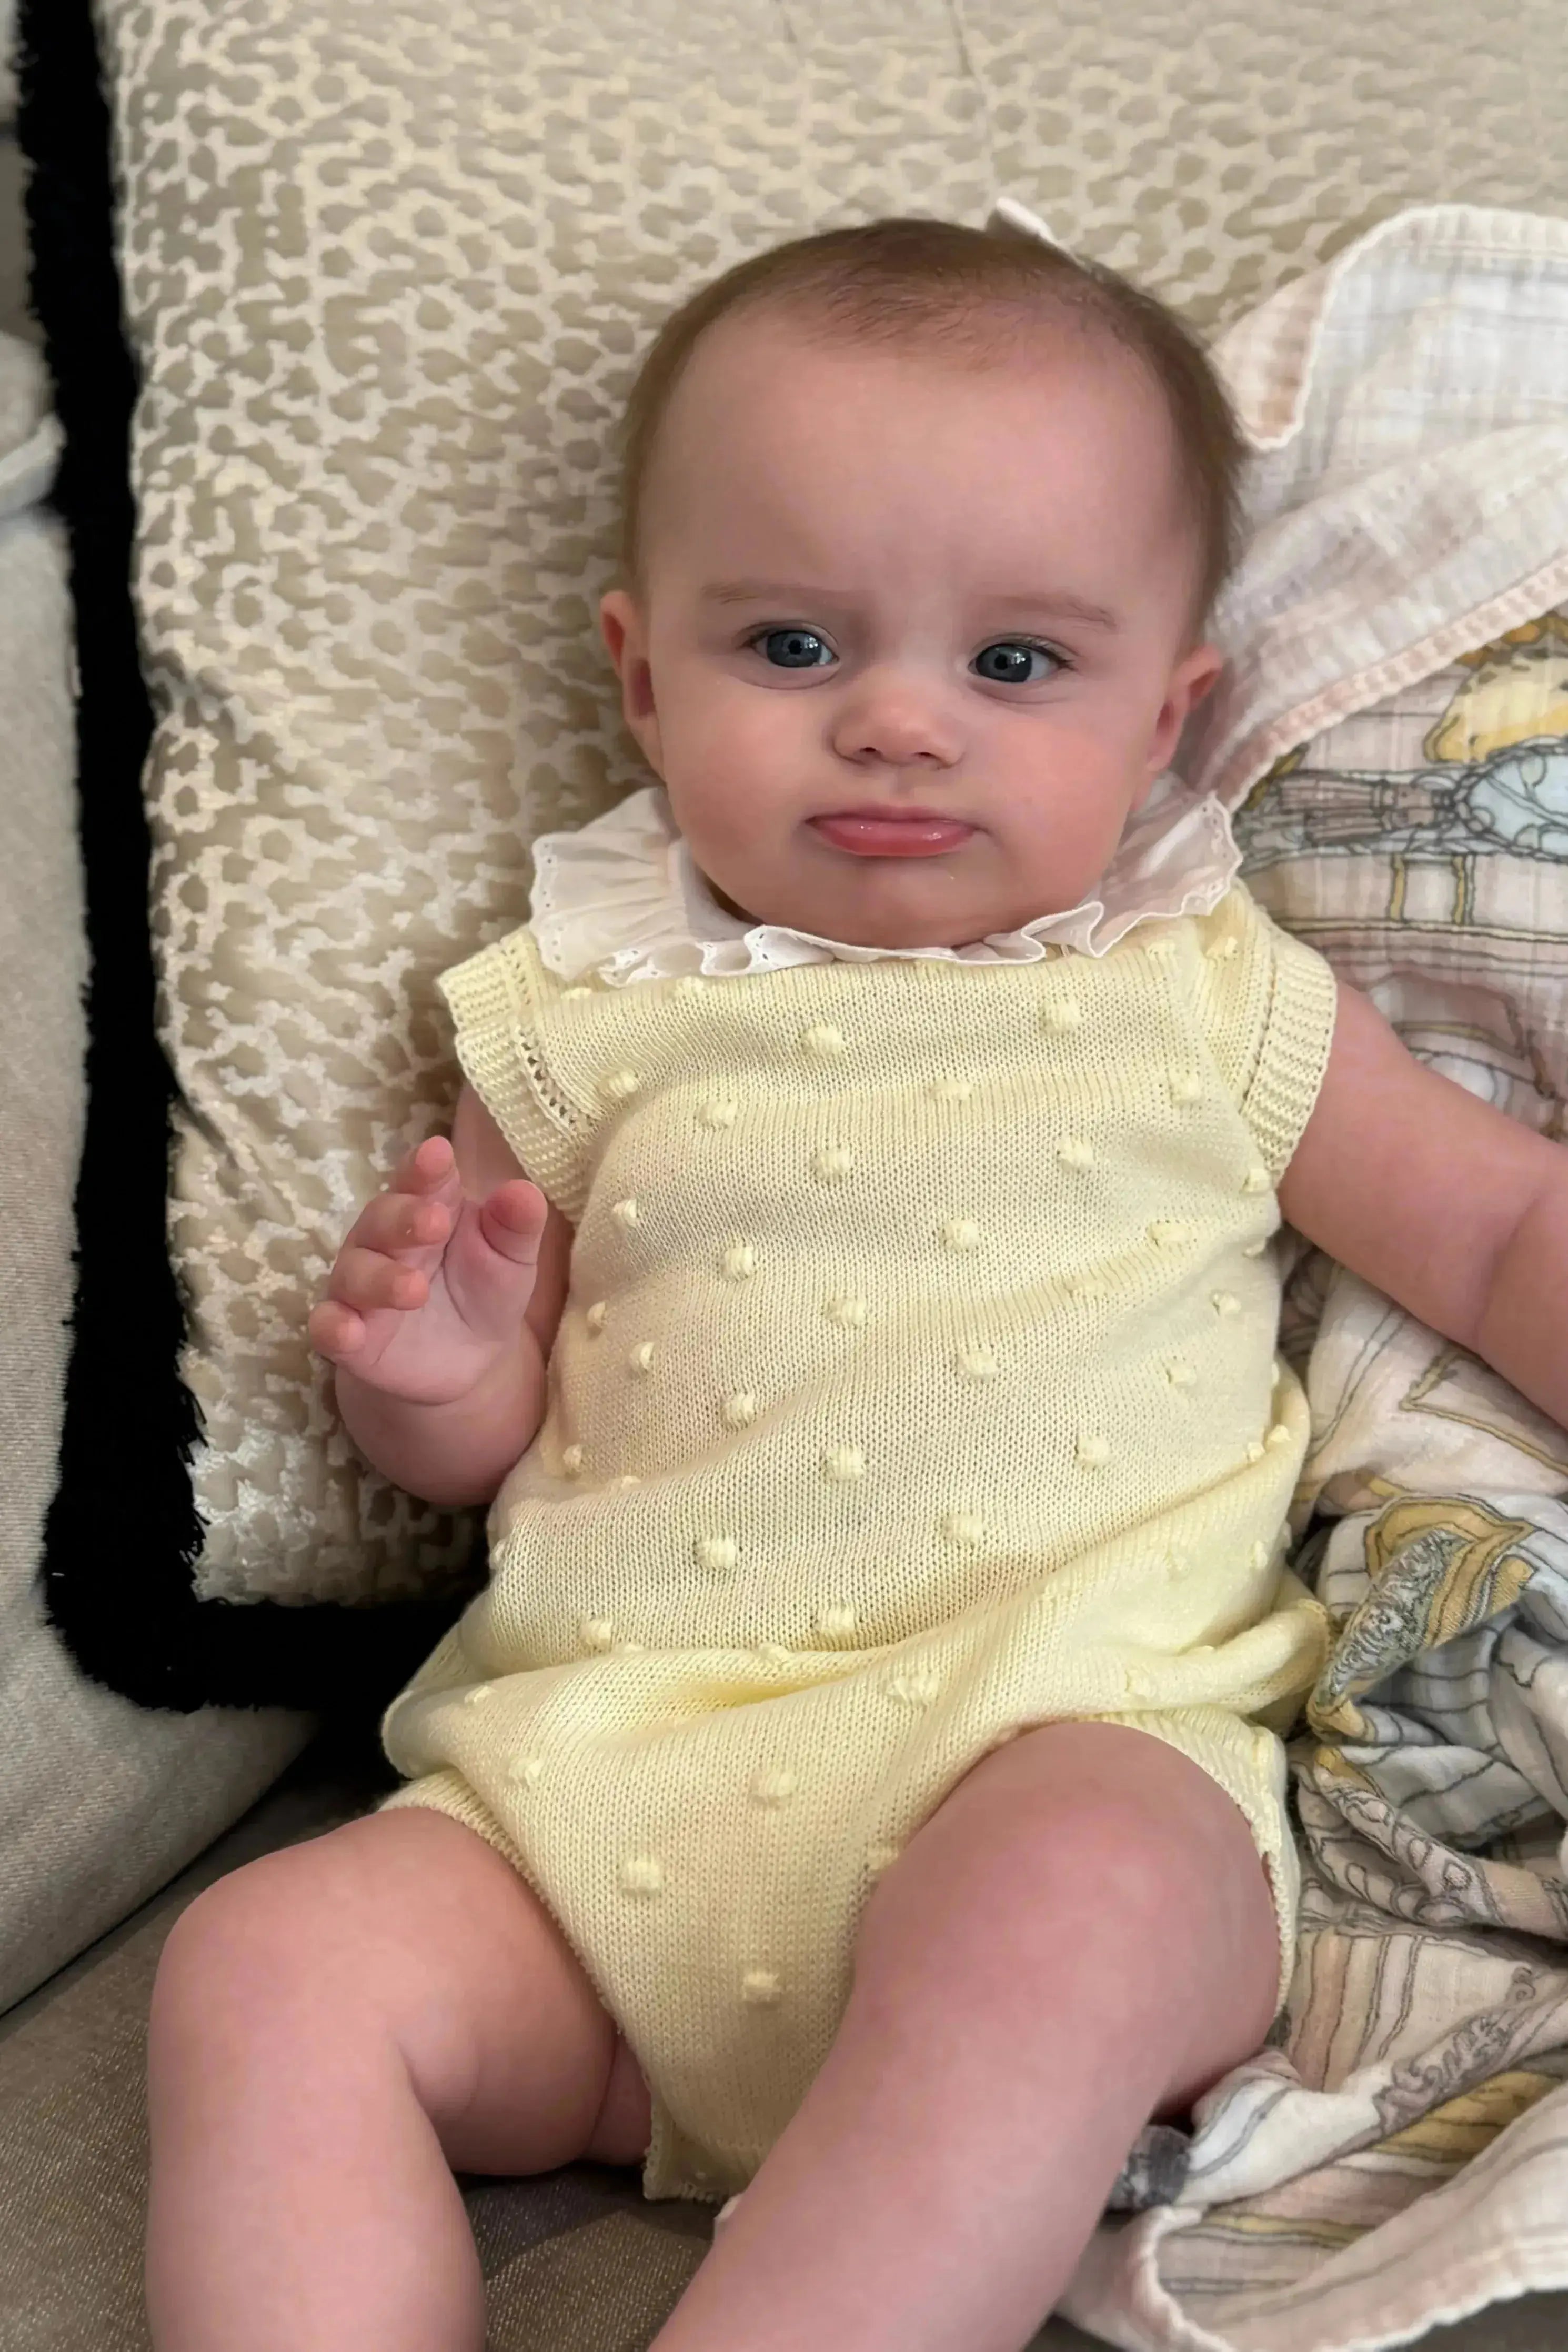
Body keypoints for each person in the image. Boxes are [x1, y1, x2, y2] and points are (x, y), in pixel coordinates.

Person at [144, 218, 1568, 2352]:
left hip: (1073, 1759)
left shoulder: (1200, 988)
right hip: (599, 1812)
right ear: (645, 679)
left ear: (1165, 716)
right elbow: (490, 1441)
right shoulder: (578, 1007)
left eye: (1017, 664)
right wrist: (432, 1372)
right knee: (266, 1961)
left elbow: (1490, 1229)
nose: (899, 723)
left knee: (1073, 1895)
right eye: (795, 645)